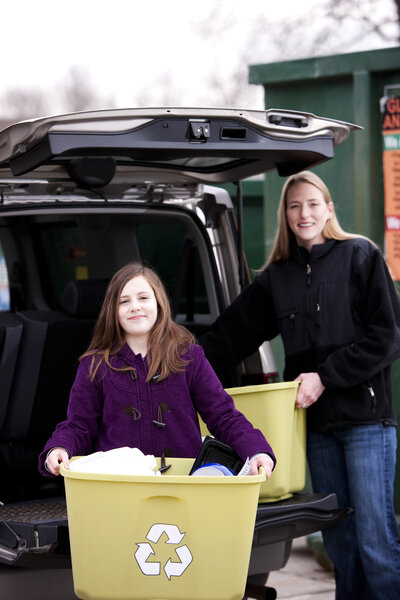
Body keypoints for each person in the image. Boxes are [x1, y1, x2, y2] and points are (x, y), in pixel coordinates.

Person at [200, 170, 400, 599]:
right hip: (317, 429)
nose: (303, 213)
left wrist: (326, 375)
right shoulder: (278, 277)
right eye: (294, 206)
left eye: (312, 203)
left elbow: (387, 337)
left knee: (375, 544)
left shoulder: (361, 256)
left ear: (329, 208)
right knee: (341, 546)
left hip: (367, 423)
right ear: (285, 216)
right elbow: (230, 335)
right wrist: (177, 365)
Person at [38, 262, 275, 479]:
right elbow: (79, 426)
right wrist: (60, 447)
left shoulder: (189, 356)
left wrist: (256, 450)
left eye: (143, 297)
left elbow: (223, 415)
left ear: (159, 303)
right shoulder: (95, 365)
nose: (135, 307)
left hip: (182, 484)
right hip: (120, 486)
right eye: (124, 301)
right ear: (112, 310)